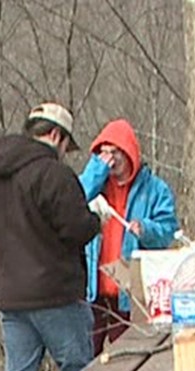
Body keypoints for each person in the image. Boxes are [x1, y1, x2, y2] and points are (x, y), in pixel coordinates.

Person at [0, 103, 102, 371]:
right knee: (77, 370)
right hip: (56, 294)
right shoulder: (52, 174)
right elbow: (76, 228)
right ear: (56, 136)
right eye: (66, 145)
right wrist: (97, 220)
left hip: (10, 294)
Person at [78, 118, 180, 357]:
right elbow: (74, 198)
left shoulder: (155, 189)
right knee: (83, 362)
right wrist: (96, 171)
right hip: (92, 293)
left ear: (129, 153)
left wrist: (146, 229)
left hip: (131, 296)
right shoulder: (96, 185)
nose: (109, 160)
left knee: (131, 358)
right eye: (103, 153)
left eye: (115, 153)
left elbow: (168, 231)